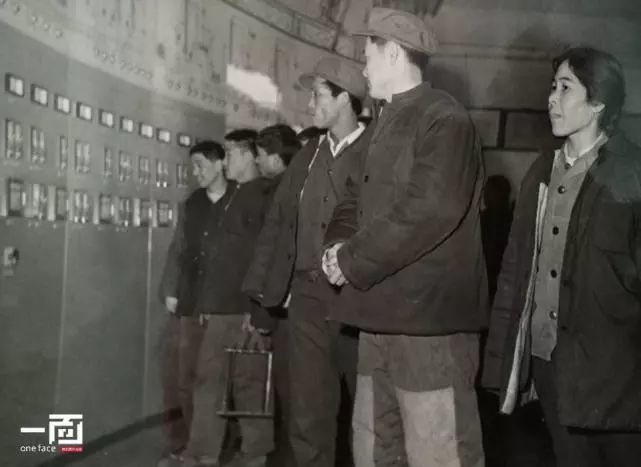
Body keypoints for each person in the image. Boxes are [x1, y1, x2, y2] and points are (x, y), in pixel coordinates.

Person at [321, 7, 487, 466]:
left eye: (367, 55)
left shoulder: (445, 119)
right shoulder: (381, 125)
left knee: (439, 453)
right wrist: (335, 247)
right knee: (375, 449)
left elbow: (429, 210)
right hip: (376, 320)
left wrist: (351, 260)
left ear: (393, 53)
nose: (363, 67)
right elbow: (351, 199)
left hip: (429, 327)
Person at [483, 46, 641, 467]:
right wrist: (500, 363)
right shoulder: (542, 171)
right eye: (552, 87)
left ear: (598, 102)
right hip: (551, 365)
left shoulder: (632, 172)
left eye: (566, 88)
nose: (551, 98)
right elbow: (514, 273)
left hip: (619, 377)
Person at [242, 56, 370, 467]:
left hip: (359, 302)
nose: (309, 104)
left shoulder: (378, 150)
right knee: (307, 413)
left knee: (369, 417)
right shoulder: (308, 154)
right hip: (307, 299)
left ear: (345, 99)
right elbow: (276, 227)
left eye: (317, 95)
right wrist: (262, 302)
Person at [179, 132, 273, 467]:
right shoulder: (237, 195)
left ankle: (243, 453)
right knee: (221, 380)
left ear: (248, 156)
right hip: (222, 306)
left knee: (244, 381)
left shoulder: (262, 195)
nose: (227, 160)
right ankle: (216, 452)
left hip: (242, 307)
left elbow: (265, 255)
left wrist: (256, 308)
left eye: (231, 154)